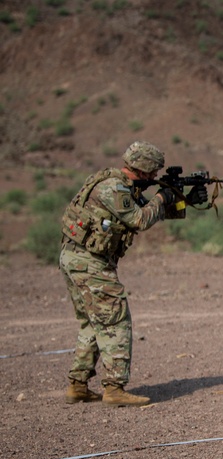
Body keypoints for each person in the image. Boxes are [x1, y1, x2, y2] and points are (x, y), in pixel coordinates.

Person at [60, 141, 208, 406]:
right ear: (146, 171)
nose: (154, 177)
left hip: (77, 258)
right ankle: (114, 389)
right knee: (115, 320)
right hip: (89, 263)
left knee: (93, 323)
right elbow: (139, 219)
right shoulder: (114, 188)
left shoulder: (116, 185)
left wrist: (183, 200)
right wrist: (163, 196)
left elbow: (149, 214)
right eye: (153, 173)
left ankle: (78, 385)